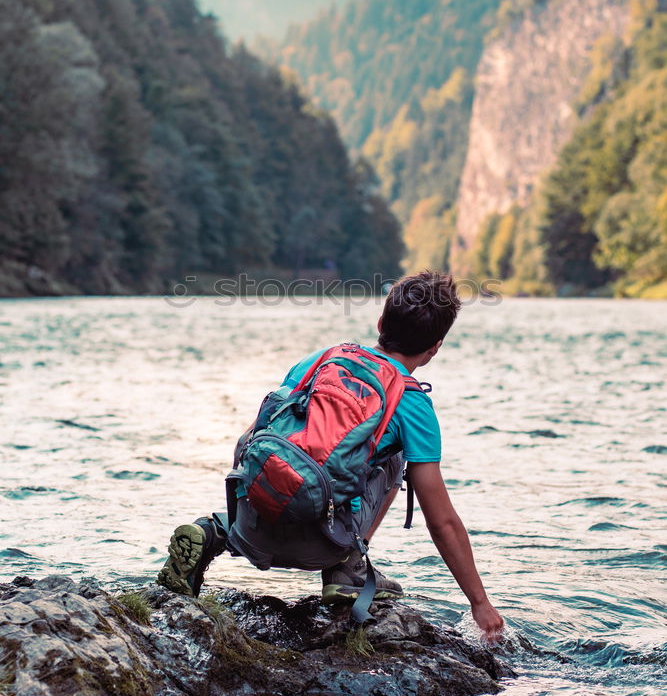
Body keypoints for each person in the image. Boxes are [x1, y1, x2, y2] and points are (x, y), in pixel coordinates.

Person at [157, 270, 504, 641]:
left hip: (251, 531)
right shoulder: (411, 402)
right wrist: (479, 603)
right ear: (435, 347)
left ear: (381, 322)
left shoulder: (321, 360)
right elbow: (442, 523)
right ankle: (347, 570)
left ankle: (214, 531)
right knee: (393, 456)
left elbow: (251, 438)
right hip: (323, 547)